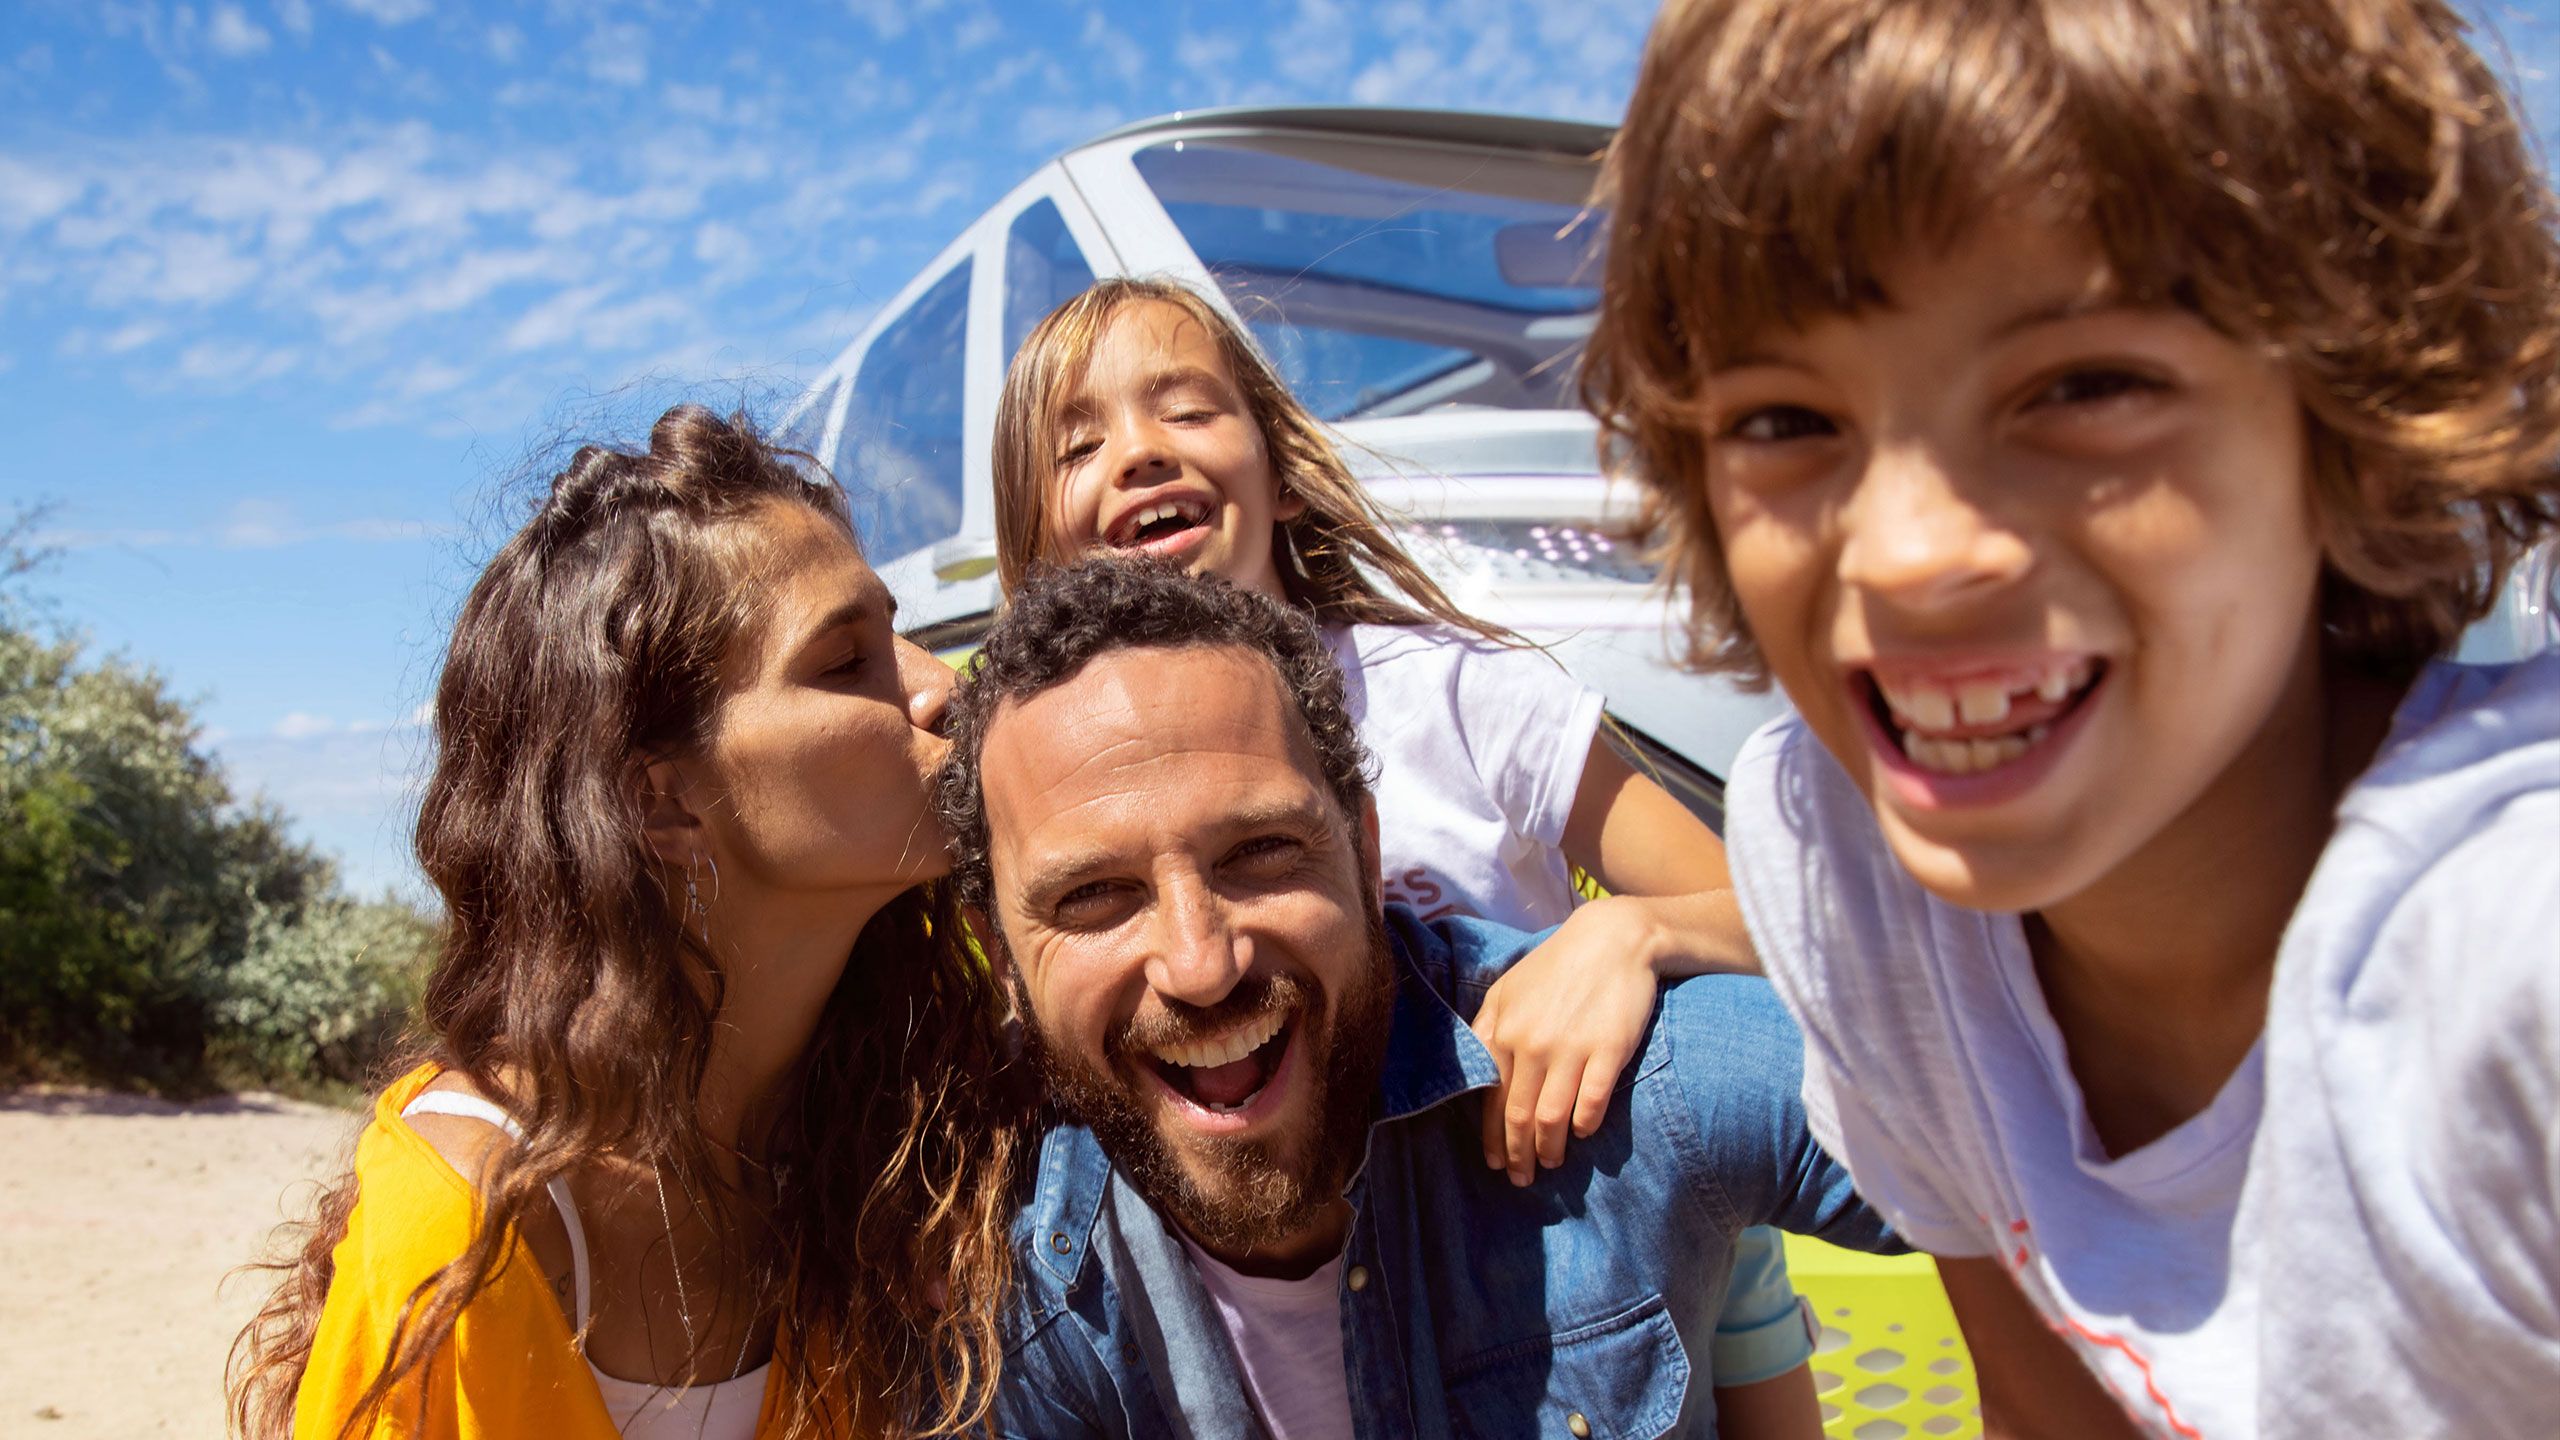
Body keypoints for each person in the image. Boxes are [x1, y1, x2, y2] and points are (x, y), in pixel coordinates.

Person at [1579, 0, 2560, 1434]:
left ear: (2352, 413)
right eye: (1787, 420)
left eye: (2087, 386)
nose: (1907, 553)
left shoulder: (2510, 956)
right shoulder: (1852, 871)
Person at [990, 277, 1824, 1431]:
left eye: (1185, 411)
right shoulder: (1036, 778)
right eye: (1078, 442)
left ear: (1279, 472)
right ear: (1036, 552)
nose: (1139, 452)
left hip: (1591, 1205)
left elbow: (1777, 917)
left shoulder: (1456, 691)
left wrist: (1629, 931)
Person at [935, 557, 1898, 1438]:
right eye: (1092, 897)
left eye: (1261, 852)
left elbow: (2009, 1091)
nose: (1200, 964)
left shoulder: (1613, 1087)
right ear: (1001, 952)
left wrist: (1655, 930)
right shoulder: (993, 1281)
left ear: (1365, 851)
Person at [227, 406, 1024, 1438]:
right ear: (662, 803)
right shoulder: (466, 1228)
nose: (941, 688)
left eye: (901, 633)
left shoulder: (890, 1139)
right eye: (845, 660)